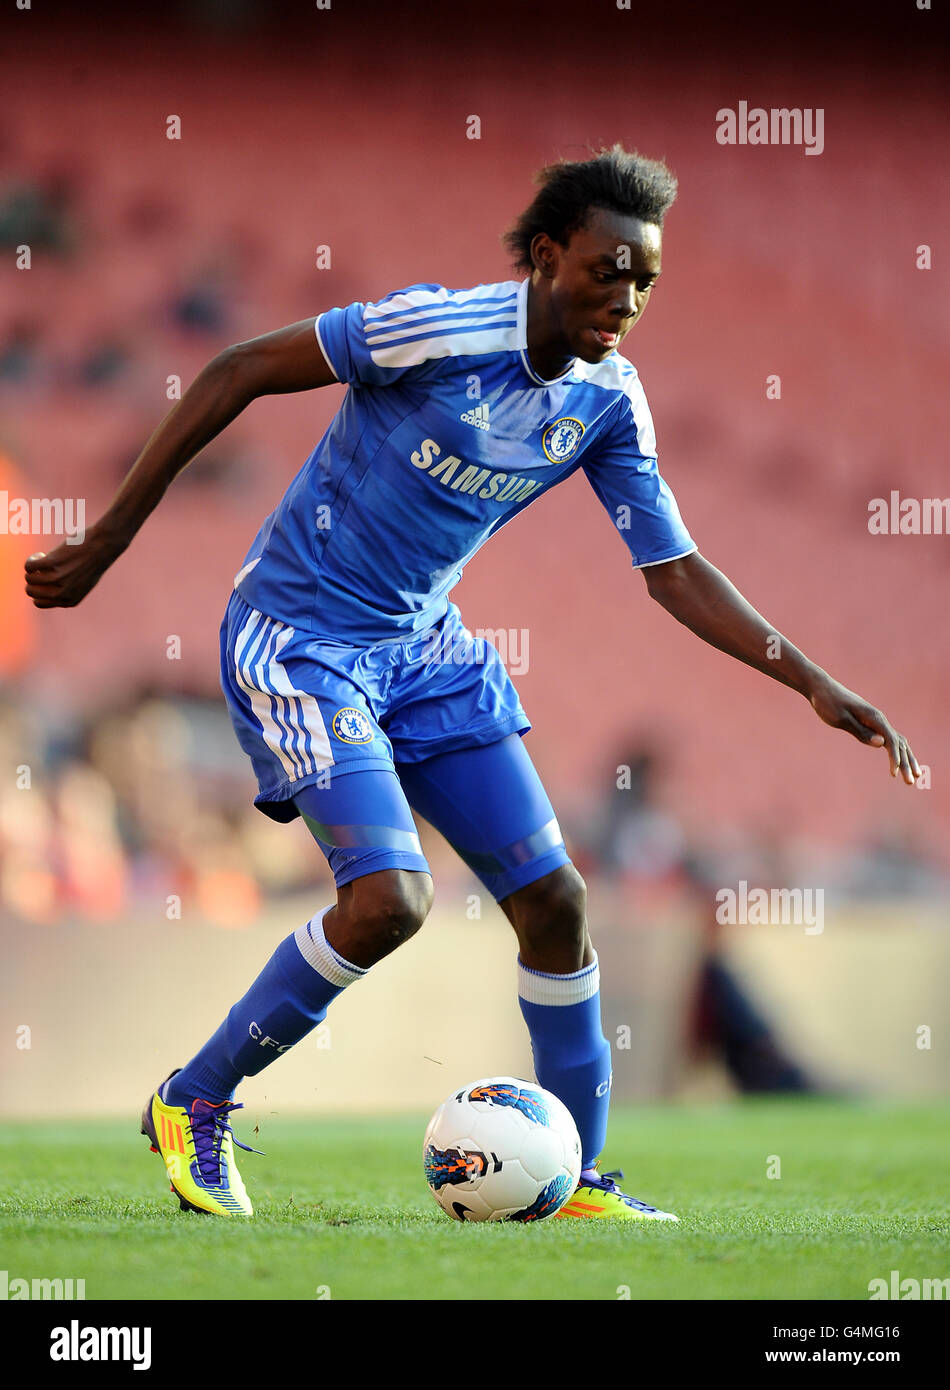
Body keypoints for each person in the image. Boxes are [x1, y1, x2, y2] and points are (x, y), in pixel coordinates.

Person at [24, 146, 921, 1222]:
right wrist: (108, 537)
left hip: (425, 650)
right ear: (546, 255)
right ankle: (193, 1098)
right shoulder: (434, 328)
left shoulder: (605, 400)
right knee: (389, 899)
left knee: (555, 902)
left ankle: (574, 1173)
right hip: (300, 631)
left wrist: (809, 680)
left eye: (644, 282)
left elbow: (670, 568)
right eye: (607, 270)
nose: (625, 299)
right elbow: (235, 369)